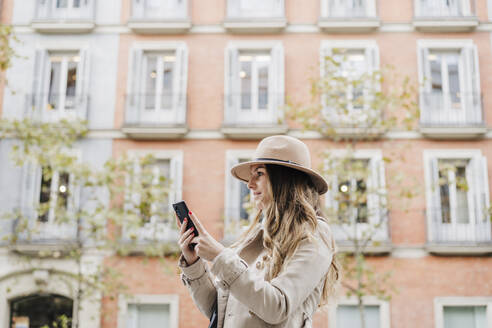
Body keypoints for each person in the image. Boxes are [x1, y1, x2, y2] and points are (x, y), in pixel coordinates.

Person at [176, 135, 339, 328]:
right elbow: (220, 310)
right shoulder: (254, 238)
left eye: (259, 174)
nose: (250, 184)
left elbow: (277, 306)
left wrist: (220, 256)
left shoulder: (313, 233)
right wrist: (194, 264)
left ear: (284, 178)